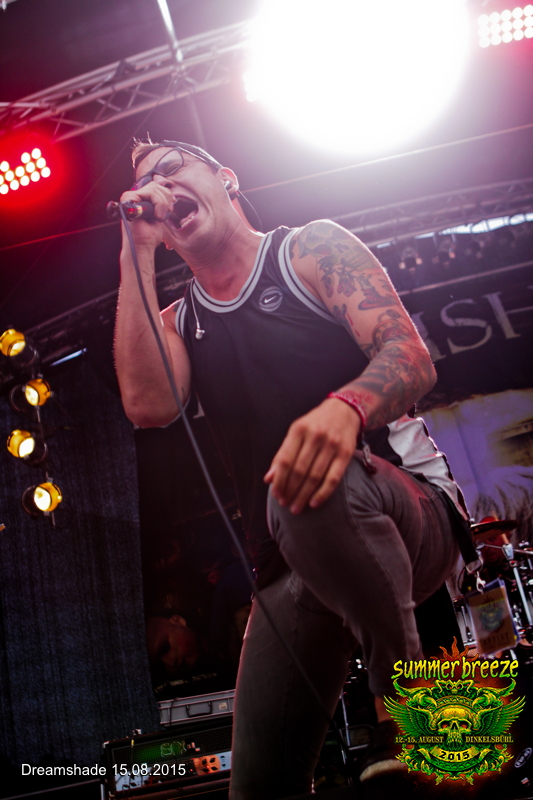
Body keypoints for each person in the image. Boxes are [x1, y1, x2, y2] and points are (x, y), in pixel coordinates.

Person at [114, 140, 472, 798]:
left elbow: (410, 357)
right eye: (145, 186)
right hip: (288, 559)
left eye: (172, 169)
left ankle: (404, 712)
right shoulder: (179, 323)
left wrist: (345, 409)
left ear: (225, 178)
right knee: (258, 786)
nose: (158, 188)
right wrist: (134, 245)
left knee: (306, 486)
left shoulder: (308, 250)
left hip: (405, 512)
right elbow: (146, 405)